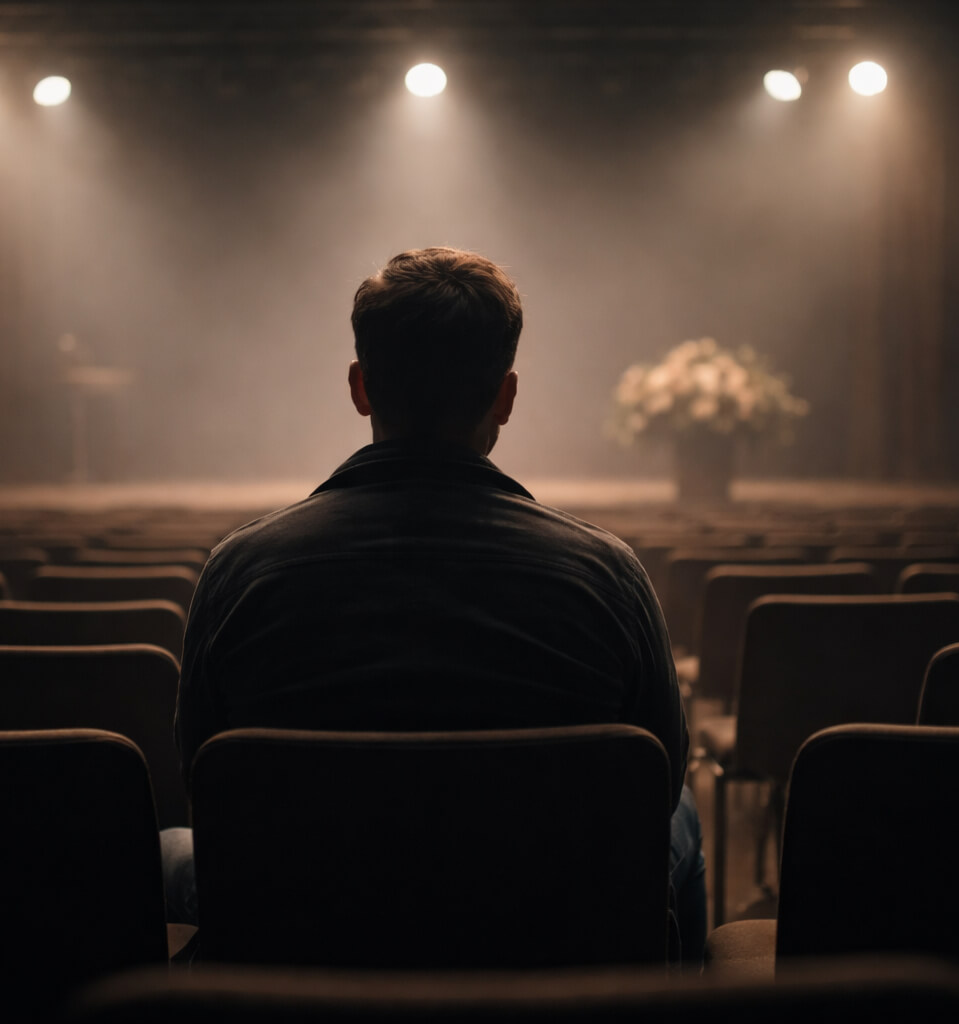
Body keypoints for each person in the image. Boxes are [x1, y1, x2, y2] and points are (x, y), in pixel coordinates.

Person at [163, 246, 705, 960]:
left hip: (307, 930)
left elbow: (200, 781)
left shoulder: (239, 571)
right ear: (505, 396)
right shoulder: (609, 575)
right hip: (544, 929)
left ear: (360, 387)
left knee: (173, 850)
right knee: (685, 818)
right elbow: (656, 785)